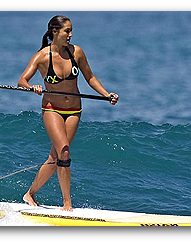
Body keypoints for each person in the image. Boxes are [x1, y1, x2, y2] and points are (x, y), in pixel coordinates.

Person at [17, 15, 119, 211]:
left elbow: (90, 77)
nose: (70, 35)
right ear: (55, 32)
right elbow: (22, 81)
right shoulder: (42, 57)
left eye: (71, 31)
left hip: (74, 110)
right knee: (63, 150)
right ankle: (67, 204)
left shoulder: (76, 52)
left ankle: (29, 194)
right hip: (52, 109)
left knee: (56, 157)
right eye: (67, 31)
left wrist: (106, 95)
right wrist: (33, 88)